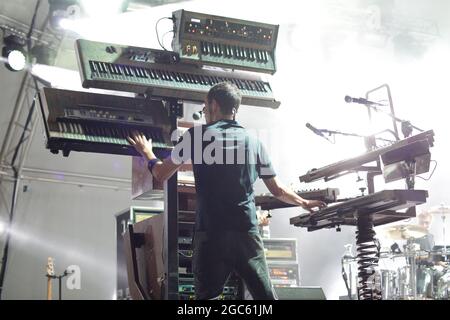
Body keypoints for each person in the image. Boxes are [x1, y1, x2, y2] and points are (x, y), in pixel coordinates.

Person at [127, 82, 326, 300]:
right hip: (246, 235)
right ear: (235, 109)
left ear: (213, 104)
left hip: (211, 234)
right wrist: (304, 202)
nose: (205, 114)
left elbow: (161, 174)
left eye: (204, 108)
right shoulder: (254, 143)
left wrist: (147, 153)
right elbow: (277, 189)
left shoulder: (195, 137)